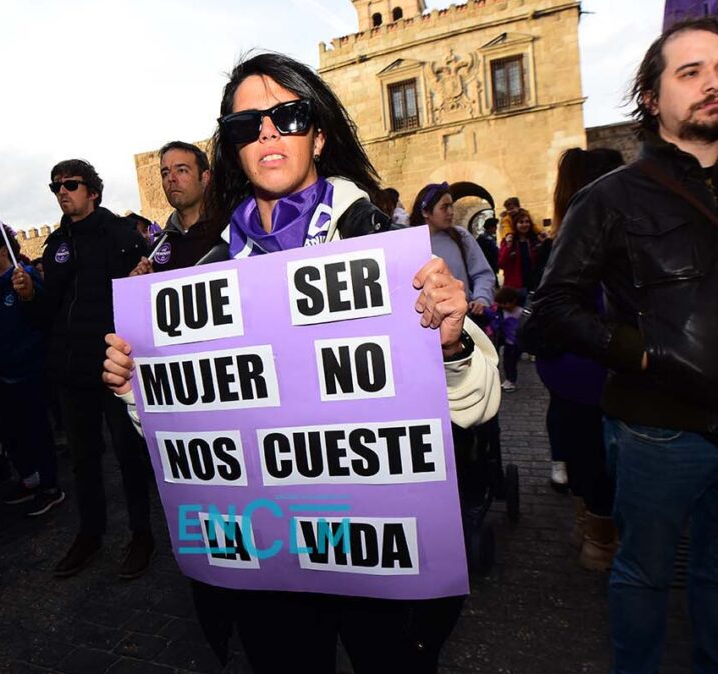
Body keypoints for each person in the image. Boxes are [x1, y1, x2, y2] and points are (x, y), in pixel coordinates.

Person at [101, 52, 500, 674]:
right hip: (273, 553)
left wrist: (450, 346)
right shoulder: (205, 276)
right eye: (245, 125)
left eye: (287, 116)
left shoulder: (380, 245)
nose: (266, 133)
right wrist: (138, 389)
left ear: (317, 135)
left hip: (377, 544)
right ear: (233, 149)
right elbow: (187, 432)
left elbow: (478, 401)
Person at [522, 18, 718, 672]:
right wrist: (642, 355)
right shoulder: (611, 198)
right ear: (651, 96)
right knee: (643, 574)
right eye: (689, 72)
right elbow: (553, 306)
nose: (712, 83)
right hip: (662, 434)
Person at [37, 158, 152, 580]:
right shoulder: (56, 244)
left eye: (70, 184)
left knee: (129, 457)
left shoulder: (121, 235)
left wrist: (144, 278)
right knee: (83, 461)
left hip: (113, 370)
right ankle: (90, 534)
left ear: (93, 191)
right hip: (71, 370)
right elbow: (50, 309)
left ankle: (142, 534)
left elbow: (144, 300)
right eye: (56, 186)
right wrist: (31, 294)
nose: (62, 192)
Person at [529, 147, 625, 567]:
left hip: (568, 366)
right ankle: (600, 538)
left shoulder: (563, 238)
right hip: (595, 363)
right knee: (599, 452)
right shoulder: (603, 236)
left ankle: (589, 527)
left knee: (582, 445)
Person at [0, 234, 66, 517]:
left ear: (3, 250)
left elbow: (41, 313)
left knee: (37, 431)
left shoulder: (23, 276)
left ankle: (50, 486)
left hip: (28, 371)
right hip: (3, 374)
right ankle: (30, 479)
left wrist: (29, 292)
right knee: (6, 428)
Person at [129, 141, 222, 275]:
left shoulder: (231, 232)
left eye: (181, 170)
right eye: (165, 173)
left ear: (205, 178)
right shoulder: (157, 251)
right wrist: (146, 282)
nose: (171, 179)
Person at [410, 182, 495, 315]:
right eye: (444, 207)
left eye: (451, 206)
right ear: (425, 212)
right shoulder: (409, 243)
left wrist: (481, 298)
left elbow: (483, 274)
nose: (451, 212)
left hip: (464, 319)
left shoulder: (461, 236)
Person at [485, 286, 522, 392]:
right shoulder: (501, 312)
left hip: (516, 343)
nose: (504, 306)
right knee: (506, 362)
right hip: (507, 342)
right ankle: (508, 379)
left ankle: (511, 381)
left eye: (506, 303)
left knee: (512, 363)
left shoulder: (520, 312)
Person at [497, 208, 539, 295]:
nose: (525, 224)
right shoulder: (507, 242)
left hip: (534, 285)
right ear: (515, 224)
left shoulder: (534, 241)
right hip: (515, 288)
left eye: (527, 222)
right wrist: (508, 246)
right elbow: (501, 264)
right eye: (521, 222)